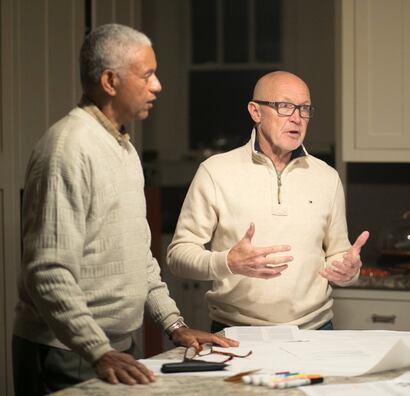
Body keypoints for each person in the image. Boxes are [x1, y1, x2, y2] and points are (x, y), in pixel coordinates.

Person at [12, 24, 237, 395]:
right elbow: (48, 273)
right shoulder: (68, 148)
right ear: (110, 81)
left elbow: (139, 257)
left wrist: (174, 325)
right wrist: (97, 350)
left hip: (112, 348)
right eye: (147, 74)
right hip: (66, 351)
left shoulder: (124, 149)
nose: (158, 85)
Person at [167, 71, 369, 332]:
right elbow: (178, 256)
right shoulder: (215, 171)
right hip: (236, 331)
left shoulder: (327, 177)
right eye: (284, 106)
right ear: (255, 111)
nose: (297, 117)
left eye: (304, 109)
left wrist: (348, 271)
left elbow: (337, 254)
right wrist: (227, 262)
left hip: (315, 331)